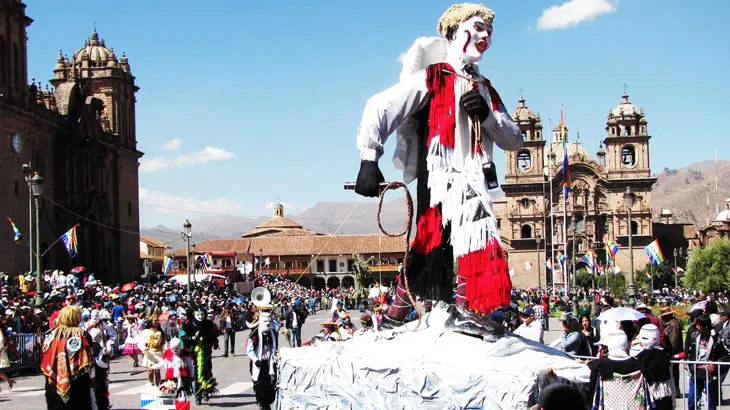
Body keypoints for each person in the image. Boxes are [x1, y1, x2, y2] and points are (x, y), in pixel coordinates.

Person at [354, 3, 522, 321]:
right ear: (452, 33)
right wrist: (368, 159)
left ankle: (445, 310)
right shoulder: (433, 78)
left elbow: (514, 139)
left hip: (474, 177)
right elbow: (379, 105)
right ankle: (456, 310)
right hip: (440, 174)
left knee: (465, 239)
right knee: (440, 242)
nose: (485, 34)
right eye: (477, 26)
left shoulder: (486, 89)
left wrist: (487, 117)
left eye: (490, 30)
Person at [41, 305, 94, 410]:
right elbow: (89, 360)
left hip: (54, 383)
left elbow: (44, 358)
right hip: (78, 383)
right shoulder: (83, 335)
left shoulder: (50, 336)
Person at [684, 314, 727, 410]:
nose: (697, 327)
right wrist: (687, 362)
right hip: (696, 372)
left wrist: (715, 365)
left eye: (699, 325)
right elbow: (689, 350)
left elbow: (725, 356)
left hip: (709, 375)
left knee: (711, 402)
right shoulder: (694, 335)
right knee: (692, 400)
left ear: (705, 326)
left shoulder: (716, 338)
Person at [180, 305, 219, 405]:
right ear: (193, 314)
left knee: (207, 369)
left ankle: (206, 390)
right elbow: (183, 337)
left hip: (206, 351)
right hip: (192, 352)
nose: (200, 316)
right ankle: (197, 394)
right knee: (195, 373)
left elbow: (213, 335)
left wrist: (215, 343)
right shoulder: (187, 324)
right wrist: (192, 338)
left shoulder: (208, 324)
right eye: (198, 314)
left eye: (202, 314)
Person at [634, 324, 674, 410]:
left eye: (645, 338)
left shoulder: (660, 355)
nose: (642, 341)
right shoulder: (663, 354)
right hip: (654, 394)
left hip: (658, 393)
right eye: (641, 338)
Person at [246, 307, 277, 410]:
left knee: (271, 382)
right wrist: (256, 360)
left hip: (269, 361)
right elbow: (250, 350)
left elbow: (274, 348)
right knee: (260, 384)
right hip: (259, 362)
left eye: (269, 321)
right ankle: (263, 404)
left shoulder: (273, 333)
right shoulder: (254, 335)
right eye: (265, 321)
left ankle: (267, 402)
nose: (267, 323)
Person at [659, 307, 683, 397]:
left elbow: (673, 340)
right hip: (672, 352)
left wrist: (670, 353)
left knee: (674, 372)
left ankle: (676, 390)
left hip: (673, 353)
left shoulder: (673, 324)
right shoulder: (670, 324)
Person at [89, 327, 114, 410]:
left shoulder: (91, 345)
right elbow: (99, 361)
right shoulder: (96, 346)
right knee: (100, 390)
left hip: (94, 371)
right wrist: (105, 366)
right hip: (98, 372)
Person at [138, 315, 165, 386]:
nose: (156, 322)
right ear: (151, 322)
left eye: (157, 321)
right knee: (150, 371)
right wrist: (144, 348)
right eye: (155, 320)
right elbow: (141, 342)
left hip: (158, 353)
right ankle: (151, 385)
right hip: (150, 353)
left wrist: (165, 351)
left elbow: (164, 343)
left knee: (157, 371)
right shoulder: (145, 331)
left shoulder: (160, 332)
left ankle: (157, 386)